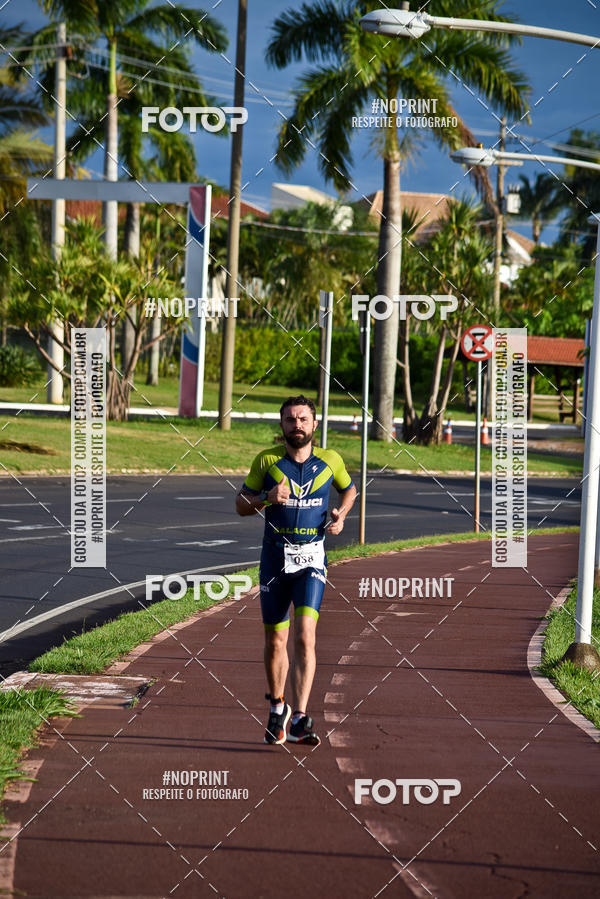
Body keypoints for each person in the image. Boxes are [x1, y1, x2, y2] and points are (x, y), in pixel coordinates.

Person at [236, 395, 357, 746]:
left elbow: (350, 491)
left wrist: (341, 516)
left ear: (315, 424)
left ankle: (301, 717)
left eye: (303, 419)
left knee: (306, 634)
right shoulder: (268, 461)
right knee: (275, 640)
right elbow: (241, 504)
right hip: (275, 561)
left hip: (312, 561)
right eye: (290, 419)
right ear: (282, 425)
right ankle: (277, 708)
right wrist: (267, 499)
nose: (297, 425)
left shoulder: (330, 461)